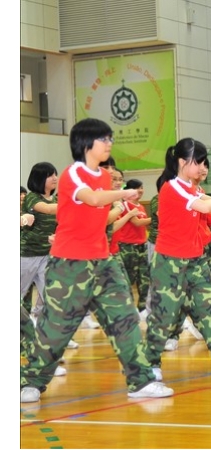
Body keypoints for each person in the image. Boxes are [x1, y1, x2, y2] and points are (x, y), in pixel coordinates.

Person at [21, 118, 173, 403]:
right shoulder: (72, 174)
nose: (109, 143)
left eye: (110, 138)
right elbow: (91, 199)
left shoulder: (104, 177)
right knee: (55, 329)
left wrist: (120, 206)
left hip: (103, 260)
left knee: (125, 318)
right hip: (69, 264)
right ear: (86, 143)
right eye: (104, 139)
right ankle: (30, 382)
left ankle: (140, 380)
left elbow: (98, 214)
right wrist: (123, 194)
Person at [144, 138, 211, 381]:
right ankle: (149, 365)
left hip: (195, 260)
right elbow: (206, 206)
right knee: (164, 316)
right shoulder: (172, 187)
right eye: (197, 162)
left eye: (203, 162)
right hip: (169, 262)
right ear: (182, 162)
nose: (201, 167)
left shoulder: (192, 188)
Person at [20, 163, 58, 321]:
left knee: (50, 294)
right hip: (27, 254)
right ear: (39, 178)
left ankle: (42, 324)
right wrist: (72, 204)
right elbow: (47, 209)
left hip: (47, 254)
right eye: (50, 175)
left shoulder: (56, 199)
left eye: (55, 174)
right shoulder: (32, 198)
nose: (55, 178)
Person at [117, 179, 151, 314]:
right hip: (128, 247)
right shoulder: (125, 204)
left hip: (142, 245)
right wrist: (156, 218)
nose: (140, 190)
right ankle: (128, 310)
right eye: (137, 188)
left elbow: (143, 225)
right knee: (128, 279)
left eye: (141, 187)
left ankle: (143, 309)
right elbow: (137, 222)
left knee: (145, 279)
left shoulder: (141, 206)